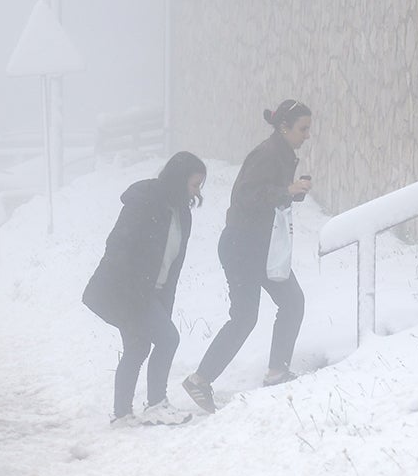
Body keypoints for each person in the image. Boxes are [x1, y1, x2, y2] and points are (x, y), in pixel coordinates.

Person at [181, 100, 312, 414]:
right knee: (245, 317)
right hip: (243, 245)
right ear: (284, 128)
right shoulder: (266, 154)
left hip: (260, 246)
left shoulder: (280, 153)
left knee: (292, 301)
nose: (307, 135)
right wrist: (286, 190)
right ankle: (199, 380)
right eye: (302, 129)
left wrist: (292, 191)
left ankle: (277, 371)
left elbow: (268, 194)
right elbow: (246, 196)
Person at [82, 151, 207, 426]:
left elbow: (171, 263)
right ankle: (156, 404)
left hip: (152, 291)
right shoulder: (145, 203)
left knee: (137, 348)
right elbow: (118, 245)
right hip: (126, 290)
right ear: (178, 180)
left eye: (199, 185)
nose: (196, 191)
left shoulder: (181, 212)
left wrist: (163, 304)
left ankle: (122, 414)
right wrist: (133, 290)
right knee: (168, 339)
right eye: (194, 184)